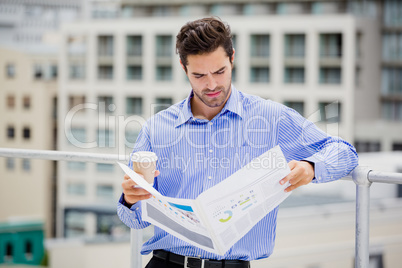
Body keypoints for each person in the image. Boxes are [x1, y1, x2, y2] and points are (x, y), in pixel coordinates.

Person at [118, 17, 358, 268]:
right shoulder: (157, 128)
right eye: (199, 75)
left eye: (219, 72)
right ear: (183, 67)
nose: (211, 85)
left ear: (232, 58)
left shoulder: (271, 118)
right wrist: (130, 199)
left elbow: (345, 152)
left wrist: (311, 167)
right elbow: (135, 220)